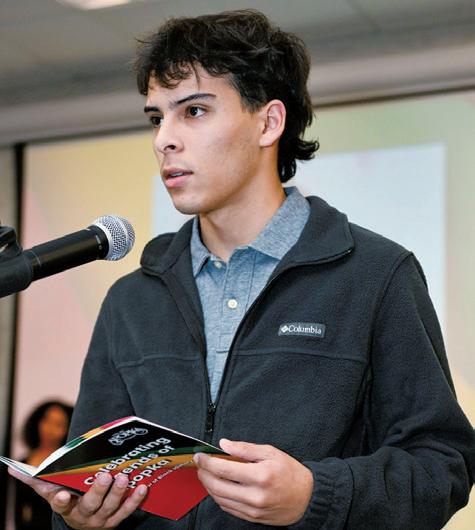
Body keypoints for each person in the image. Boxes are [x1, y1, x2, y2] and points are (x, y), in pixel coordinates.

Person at [9, 9, 474, 530]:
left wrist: (314, 495)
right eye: (156, 118)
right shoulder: (130, 300)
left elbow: (442, 467)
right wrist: (81, 519)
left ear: (268, 122)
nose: (164, 139)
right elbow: (87, 481)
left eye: (194, 111)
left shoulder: (377, 275)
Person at [13, 400, 73, 530]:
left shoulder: (69, 466)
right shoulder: (21, 462)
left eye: (58, 424)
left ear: (68, 429)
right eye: (46, 420)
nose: (49, 429)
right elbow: (17, 507)